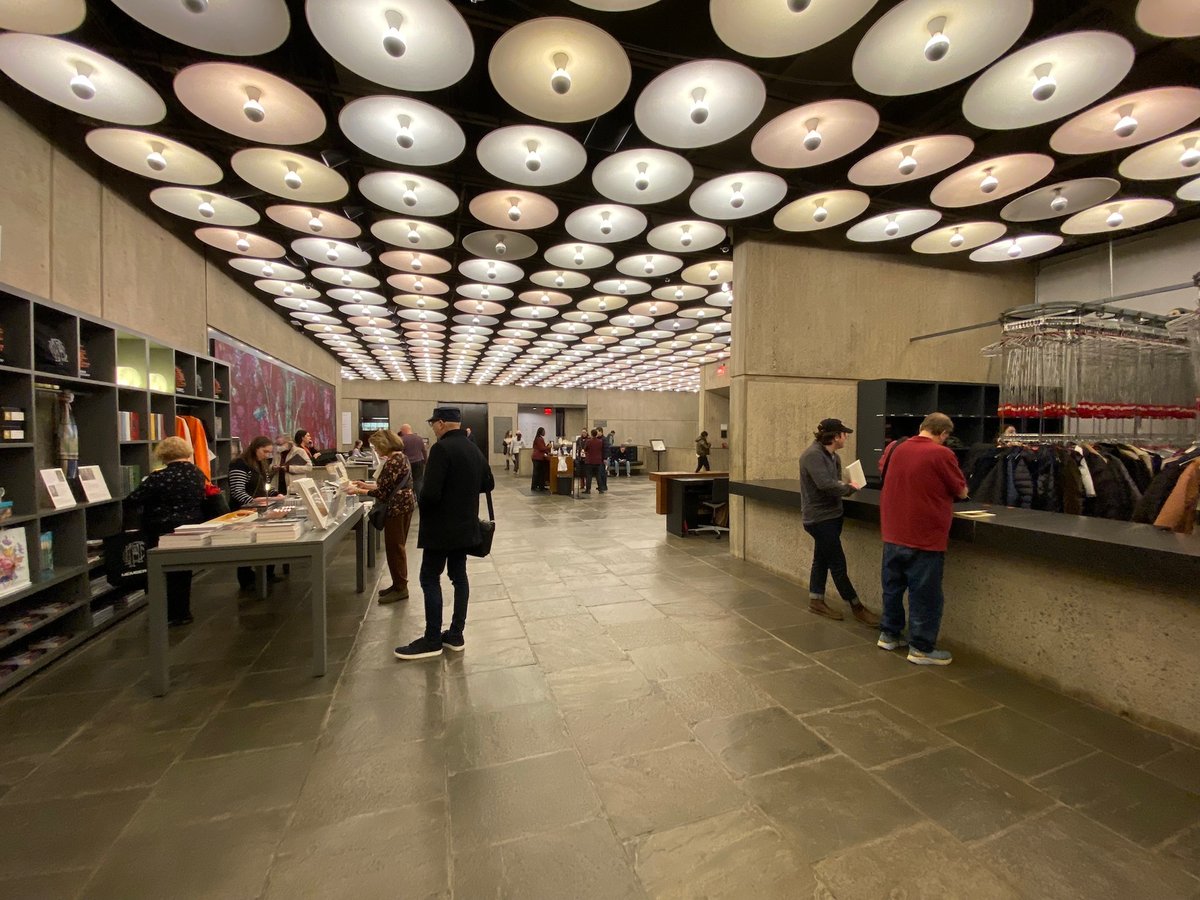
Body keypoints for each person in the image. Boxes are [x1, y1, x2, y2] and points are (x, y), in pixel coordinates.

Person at [394, 407, 494, 660]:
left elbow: (430, 494)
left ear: (441, 424)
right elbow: (488, 483)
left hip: (441, 529)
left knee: (429, 577)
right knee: (459, 577)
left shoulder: (441, 449)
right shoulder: (473, 448)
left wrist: (427, 506)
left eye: (433, 424)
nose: (433, 428)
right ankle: (456, 634)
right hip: (466, 526)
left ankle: (431, 639)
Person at [876, 412, 969, 666]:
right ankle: (921, 647)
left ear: (921, 427)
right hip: (925, 535)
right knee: (925, 594)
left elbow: (882, 469)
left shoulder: (894, 448)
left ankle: (889, 634)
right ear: (944, 434)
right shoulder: (942, 454)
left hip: (893, 530)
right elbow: (960, 490)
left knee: (893, 587)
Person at [799, 419, 879, 626]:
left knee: (822, 559)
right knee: (838, 564)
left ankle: (816, 600)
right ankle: (857, 607)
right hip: (819, 518)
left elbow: (834, 483)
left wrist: (846, 486)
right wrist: (850, 487)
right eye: (844, 434)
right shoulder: (813, 455)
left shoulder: (834, 456)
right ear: (835, 436)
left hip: (832, 516)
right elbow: (826, 484)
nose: (846, 437)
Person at [128, 436, 206, 626]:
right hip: (190, 527)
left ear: (163, 454)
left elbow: (134, 498)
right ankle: (182, 611)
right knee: (182, 571)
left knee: (161, 572)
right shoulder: (196, 473)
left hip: (162, 529)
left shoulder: (159, 477)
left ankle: (165, 613)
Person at [351, 430, 417, 603]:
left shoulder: (392, 462)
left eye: (376, 446)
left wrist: (359, 490)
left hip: (396, 508)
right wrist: (366, 485)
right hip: (404, 505)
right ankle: (397, 583)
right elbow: (389, 485)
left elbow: (383, 492)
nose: (375, 450)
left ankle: (401, 587)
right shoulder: (401, 458)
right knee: (397, 546)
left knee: (395, 547)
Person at [228, 436, 282, 590]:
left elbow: (265, 486)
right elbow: (237, 491)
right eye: (264, 452)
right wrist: (255, 502)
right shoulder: (239, 464)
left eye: (269, 453)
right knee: (244, 545)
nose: (266, 456)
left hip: (260, 508)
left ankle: (267, 574)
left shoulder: (261, 464)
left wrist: (275, 494)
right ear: (255, 448)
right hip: (243, 511)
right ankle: (246, 579)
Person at [399, 423, 427, 497]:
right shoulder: (419, 438)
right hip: (419, 462)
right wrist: (425, 461)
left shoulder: (402, 439)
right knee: (418, 481)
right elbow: (424, 450)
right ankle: (420, 499)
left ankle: (409, 498)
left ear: (403, 430)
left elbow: (400, 452)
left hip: (407, 463)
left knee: (406, 482)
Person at [582, 428, 606, 494]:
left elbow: (585, 449)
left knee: (589, 476)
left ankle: (588, 490)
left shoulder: (588, 441)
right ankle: (600, 489)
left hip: (589, 461)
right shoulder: (600, 441)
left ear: (591, 434)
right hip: (598, 461)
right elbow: (601, 449)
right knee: (598, 475)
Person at [530, 426, 549, 492]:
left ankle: (541, 486)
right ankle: (534, 486)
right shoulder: (539, 439)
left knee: (541, 473)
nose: (545, 432)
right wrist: (548, 447)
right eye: (544, 431)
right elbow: (541, 448)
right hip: (537, 458)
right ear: (541, 432)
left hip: (538, 458)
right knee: (537, 473)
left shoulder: (539, 438)